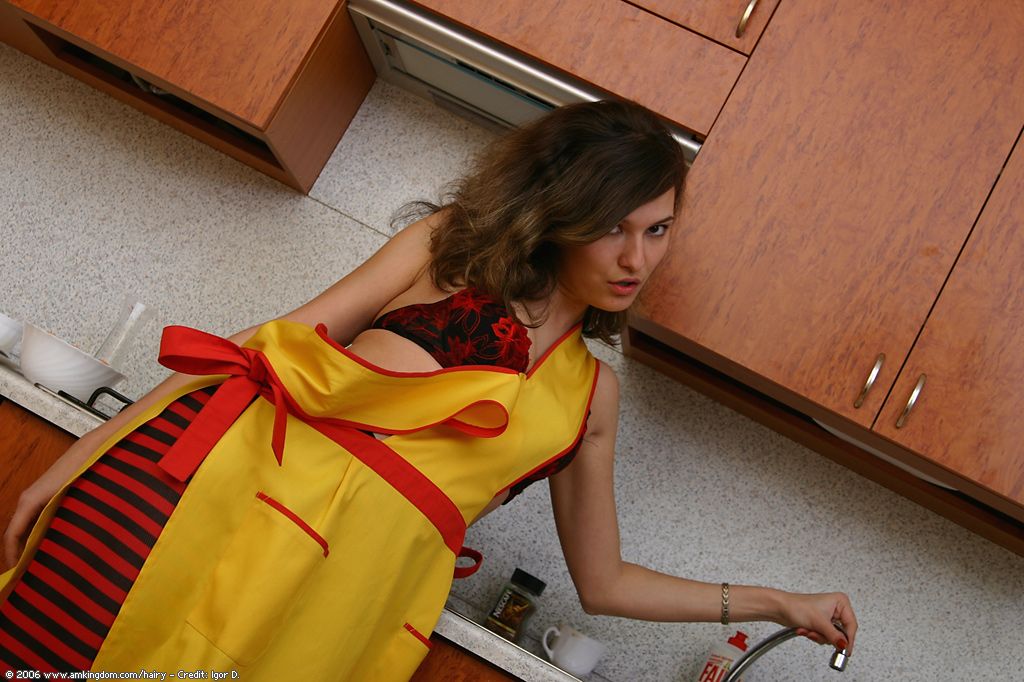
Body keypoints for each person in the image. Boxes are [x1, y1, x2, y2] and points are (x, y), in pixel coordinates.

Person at [0, 99, 857, 679]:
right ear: (560, 210)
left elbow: (605, 583)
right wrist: (81, 454)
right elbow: (257, 348)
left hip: (326, 606)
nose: (638, 259)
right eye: (612, 227)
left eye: (659, 229)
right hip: (189, 500)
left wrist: (777, 601)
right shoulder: (445, 248)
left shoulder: (590, 398)